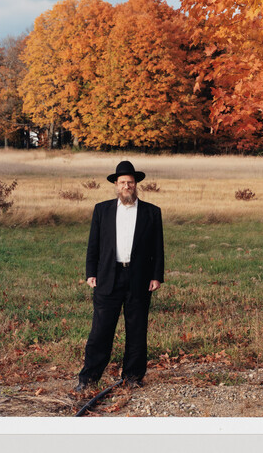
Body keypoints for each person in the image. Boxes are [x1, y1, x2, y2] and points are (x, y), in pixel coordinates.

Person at [74, 160, 164, 391]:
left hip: (139, 278)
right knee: (100, 331)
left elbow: (158, 248)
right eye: (123, 182)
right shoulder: (102, 210)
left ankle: (132, 377)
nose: (127, 186)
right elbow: (93, 244)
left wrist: (157, 276)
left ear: (136, 185)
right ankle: (89, 378)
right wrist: (91, 272)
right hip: (107, 277)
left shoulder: (152, 212)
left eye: (131, 182)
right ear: (116, 184)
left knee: (137, 330)